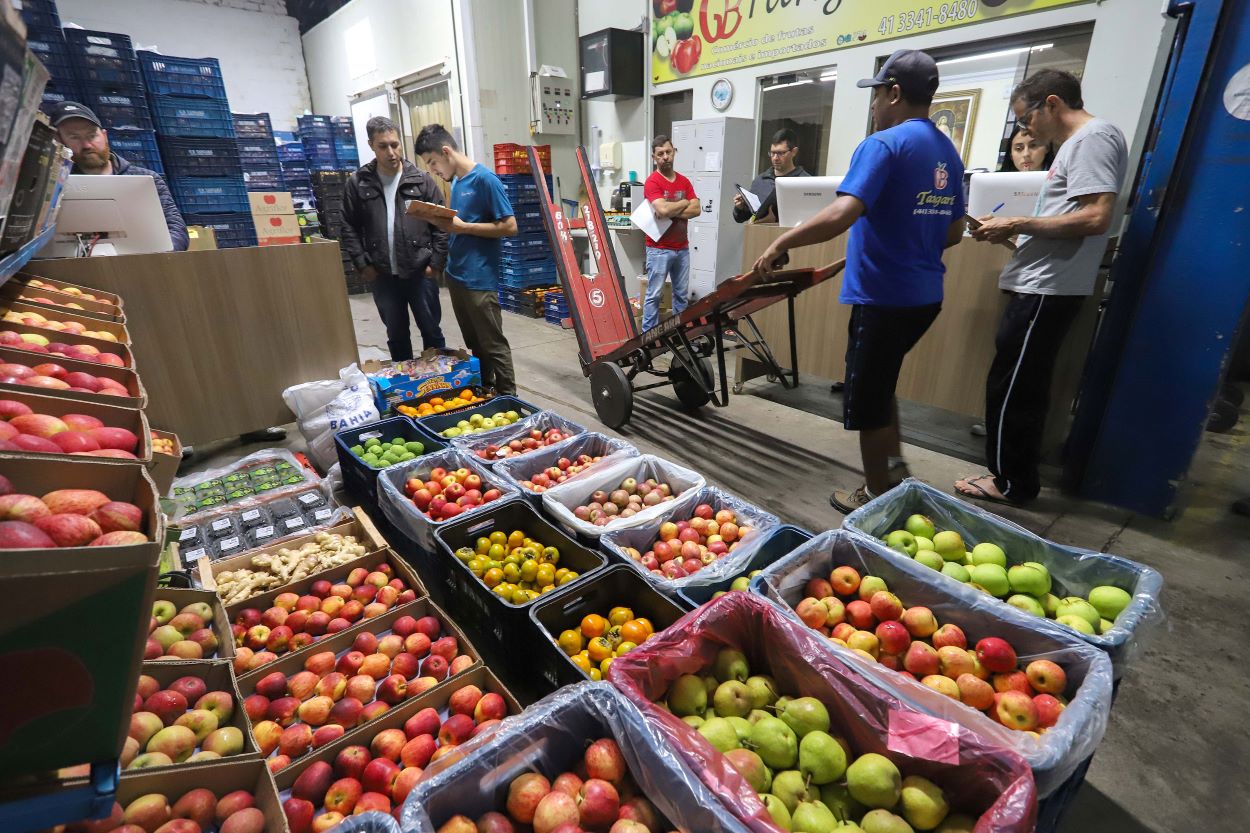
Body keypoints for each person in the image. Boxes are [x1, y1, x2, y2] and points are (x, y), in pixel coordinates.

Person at [753, 50, 966, 513]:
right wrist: (912, 241)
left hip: (883, 296)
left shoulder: (884, 145)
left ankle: (876, 497)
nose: (872, 107)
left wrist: (781, 242)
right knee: (881, 383)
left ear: (894, 93)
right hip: (925, 296)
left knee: (867, 401)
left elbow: (843, 211)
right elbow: (954, 231)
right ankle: (894, 471)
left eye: (876, 96)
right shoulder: (946, 151)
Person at [955, 69, 1127, 506]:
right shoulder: (1082, 144)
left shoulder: (1093, 139)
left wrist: (1019, 222)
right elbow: (1072, 219)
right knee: (1016, 383)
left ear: (1051, 103)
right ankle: (1008, 475)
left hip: (1047, 289)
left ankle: (1011, 482)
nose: (1025, 129)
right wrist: (1016, 235)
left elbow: (1096, 218)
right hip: (1041, 282)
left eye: (1026, 118)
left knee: (1014, 388)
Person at [415, 124, 518, 396]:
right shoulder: (458, 181)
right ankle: (487, 390)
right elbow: (459, 224)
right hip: (457, 275)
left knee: (493, 343)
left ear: (446, 151)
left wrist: (464, 228)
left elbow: (509, 227)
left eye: (433, 162)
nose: (433, 170)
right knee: (475, 344)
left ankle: (510, 399)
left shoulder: (485, 180)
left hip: (480, 278)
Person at [968, 123, 1056, 438]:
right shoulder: (1001, 185)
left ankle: (1009, 435)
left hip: (1043, 284)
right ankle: (998, 424)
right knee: (1006, 361)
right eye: (1018, 148)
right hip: (1015, 278)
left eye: (1033, 145)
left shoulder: (1057, 189)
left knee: (1025, 370)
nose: (1026, 154)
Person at [340, 116, 447, 361]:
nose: (391, 152)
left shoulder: (421, 180)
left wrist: (436, 264)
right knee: (397, 335)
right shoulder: (359, 183)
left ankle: (440, 386)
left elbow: (441, 224)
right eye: (383, 146)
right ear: (371, 145)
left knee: (432, 331)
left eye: (395, 144)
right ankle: (405, 390)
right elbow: (348, 226)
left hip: (421, 271)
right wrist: (363, 264)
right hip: (383, 274)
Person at [48, 101, 188, 251]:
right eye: (74, 137)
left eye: (92, 135)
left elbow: (177, 229)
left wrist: (159, 255)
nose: (87, 145)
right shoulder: (54, 185)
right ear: (59, 142)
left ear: (104, 135)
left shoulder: (146, 179)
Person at [642, 135, 701, 331]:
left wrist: (673, 207)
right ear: (654, 157)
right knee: (654, 295)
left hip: (681, 249)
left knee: (681, 295)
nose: (665, 157)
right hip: (658, 249)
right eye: (660, 154)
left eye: (668, 152)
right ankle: (647, 338)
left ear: (674, 151)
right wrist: (684, 202)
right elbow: (663, 211)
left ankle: (680, 334)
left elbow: (697, 210)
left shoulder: (684, 181)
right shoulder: (652, 182)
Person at [732, 128, 810, 224]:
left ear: (794, 152)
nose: (775, 158)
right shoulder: (760, 181)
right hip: (758, 236)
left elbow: (810, 221)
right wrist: (740, 208)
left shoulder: (806, 182)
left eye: (781, 153)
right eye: (772, 153)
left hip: (791, 237)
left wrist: (774, 223)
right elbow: (742, 218)